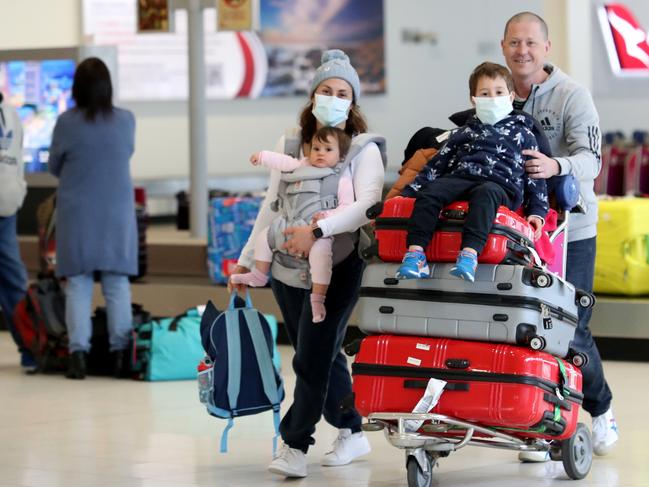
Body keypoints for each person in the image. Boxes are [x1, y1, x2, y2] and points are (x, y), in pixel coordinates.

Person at [229, 49, 385, 478]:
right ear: (313, 94)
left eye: (342, 92)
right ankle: (352, 430)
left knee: (311, 359)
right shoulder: (290, 144)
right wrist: (247, 264)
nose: (333, 98)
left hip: (335, 268)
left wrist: (317, 231)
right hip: (283, 268)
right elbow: (271, 206)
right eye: (326, 90)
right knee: (321, 353)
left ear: (352, 102)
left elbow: (368, 205)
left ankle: (296, 443)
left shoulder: (363, 150)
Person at [501, 12, 618, 460]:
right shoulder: (497, 91)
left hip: (572, 230)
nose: (522, 51)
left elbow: (593, 160)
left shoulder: (573, 95)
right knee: (524, 325)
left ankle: (601, 407)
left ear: (546, 47)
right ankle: (544, 421)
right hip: (518, 231)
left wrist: (557, 166)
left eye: (531, 42)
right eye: (514, 43)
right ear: (503, 46)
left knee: (569, 329)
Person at [397, 62, 548, 282]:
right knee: (430, 192)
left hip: (501, 186)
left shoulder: (525, 133)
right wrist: (408, 193)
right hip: (462, 178)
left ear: (511, 96)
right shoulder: (463, 132)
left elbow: (535, 176)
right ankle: (416, 254)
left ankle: (469, 255)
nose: (492, 98)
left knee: (486, 193)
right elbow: (436, 165)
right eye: (485, 94)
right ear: (473, 99)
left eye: (498, 92)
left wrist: (538, 212)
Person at [48, 57, 137, 380]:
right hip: (116, 213)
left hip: (77, 213)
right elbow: (125, 153)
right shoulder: (126, 120)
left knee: (77, 284)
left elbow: (54, 166)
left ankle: (78, 357)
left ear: (76, 88)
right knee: (117, 285)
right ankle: (120, 356)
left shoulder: (65, 122)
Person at [230, 126, 353, 323]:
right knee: (265, 237)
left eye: (328, 150)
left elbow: (348, 207)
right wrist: (262, 156)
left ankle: (318, 298)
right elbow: (283, 162)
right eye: (316, 148)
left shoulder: (340, 177)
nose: (320, 154)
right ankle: (260, 274)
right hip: (289, 224)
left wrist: (327, 217)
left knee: (321, 256)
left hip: (318, 229)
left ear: (341, 155)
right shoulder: (300, 165)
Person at [0, 92, 33, 369]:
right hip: (7, 204)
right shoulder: (10, 114)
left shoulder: (10, 115)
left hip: (6, 206)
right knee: (12, 280)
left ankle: (30, 347)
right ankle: (30, 349)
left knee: (13, 281)